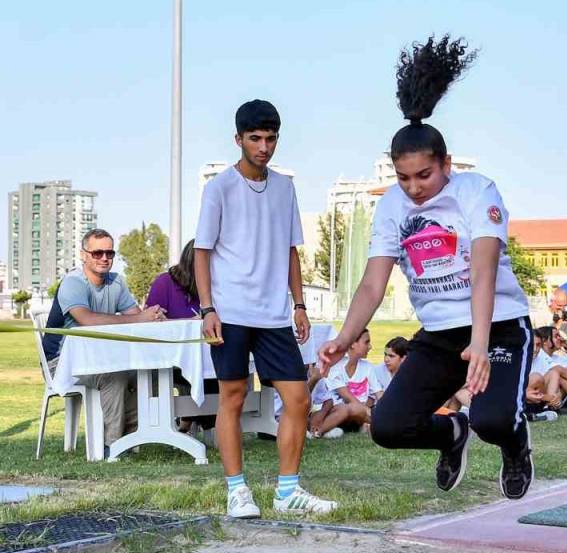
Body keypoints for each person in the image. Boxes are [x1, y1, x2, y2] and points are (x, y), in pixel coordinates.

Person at [318, 35, 536, 500]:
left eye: (425, 175)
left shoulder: (477, 191)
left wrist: (480, 342)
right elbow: (373, 282)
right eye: (403, 177)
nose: (414, 188)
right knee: (389, 426)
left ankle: (515, 445)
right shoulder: (393, 206)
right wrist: (341, 337)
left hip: (496, 326)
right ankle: (451, 435)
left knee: (493, 419)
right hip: (439, 335)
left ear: (447, 165)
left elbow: (482, 270)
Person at [196, 99, 338, 518]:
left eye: (271, 138)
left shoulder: (284, 187)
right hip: (231, 311)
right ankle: (237, 491)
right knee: (233, 398)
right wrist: (207, 308)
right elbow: (202, 252)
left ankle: (288, 491)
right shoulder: (219, 187)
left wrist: (299, 304)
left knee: (296, 398)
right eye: (255, 139)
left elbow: (291, 250)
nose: (264, 147)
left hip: (275, 314)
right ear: (238, 139)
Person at [42, 228, 166, 448]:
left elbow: (137, 316)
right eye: (97, 253)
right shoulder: (73, 282)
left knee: (155, 374)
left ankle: (131, 436)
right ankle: (112, 446)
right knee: (114, 376)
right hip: (62, 363)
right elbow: (87, 319)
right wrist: (140, 319)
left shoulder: (116, 282)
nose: (104, 258)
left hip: (101, 359)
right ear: (83, 255)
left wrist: (153, 316)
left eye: (110, 253)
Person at [147, 241, 219, 433]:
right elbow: (150, 323)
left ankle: (201, 422)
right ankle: (195, 421)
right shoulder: (164, 283)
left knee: (223, 366)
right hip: (169, 357)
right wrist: (190, 321)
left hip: (209, 357)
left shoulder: (218, 287)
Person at [314, 329, 383, 437]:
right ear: (352, 344)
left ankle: (366, 425)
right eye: (366, 342)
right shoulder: (336, 367)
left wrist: (389, 411)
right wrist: (372, 415)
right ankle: (317, 432)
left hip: (358, 414)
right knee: (347, 409)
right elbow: (349, 399)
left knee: (357, 410)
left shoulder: (367, 367)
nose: (370, 347)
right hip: (335, 412)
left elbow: (379, 393)